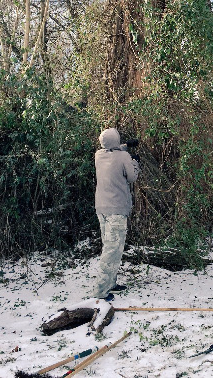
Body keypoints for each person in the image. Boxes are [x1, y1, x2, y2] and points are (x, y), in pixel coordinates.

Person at [92, 128, 140, 301]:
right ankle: (100, 291)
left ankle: (111, 283)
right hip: (117, 210)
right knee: (112, 250)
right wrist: (135, 161)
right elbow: (132, 177)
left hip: (102, 208)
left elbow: (114, 150)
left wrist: (126, 146)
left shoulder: (99, 155)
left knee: (112, 246)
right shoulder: (123, 157)